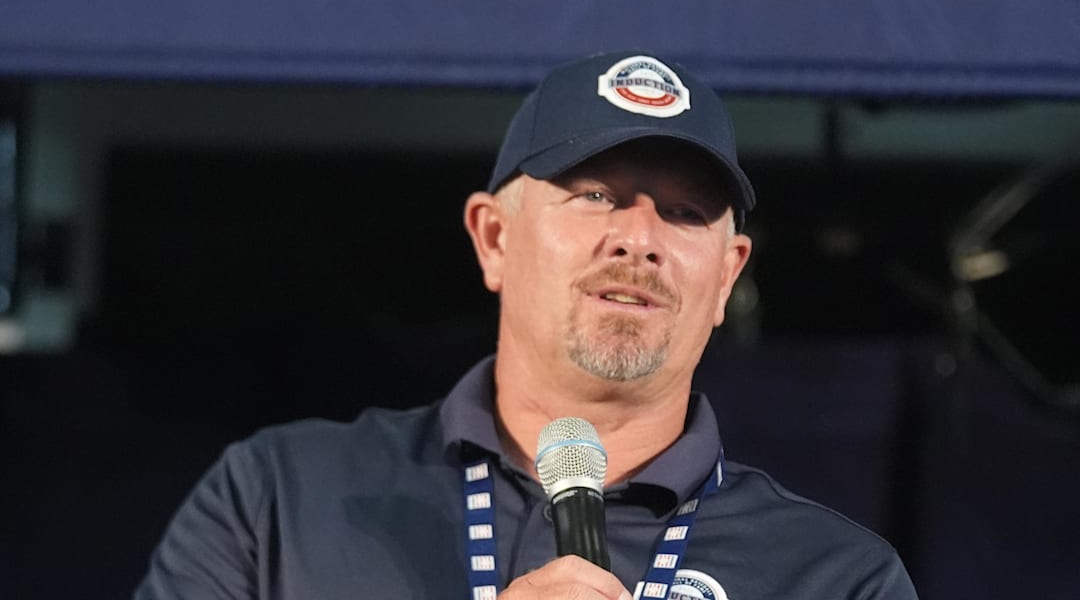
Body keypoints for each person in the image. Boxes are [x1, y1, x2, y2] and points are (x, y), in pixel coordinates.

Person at [135, 51, 918, 600]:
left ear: (726, 276)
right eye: (597, 195)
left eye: (685, 212)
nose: (638, 238)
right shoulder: (279, 498)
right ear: (494, 239)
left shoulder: (837, 578)